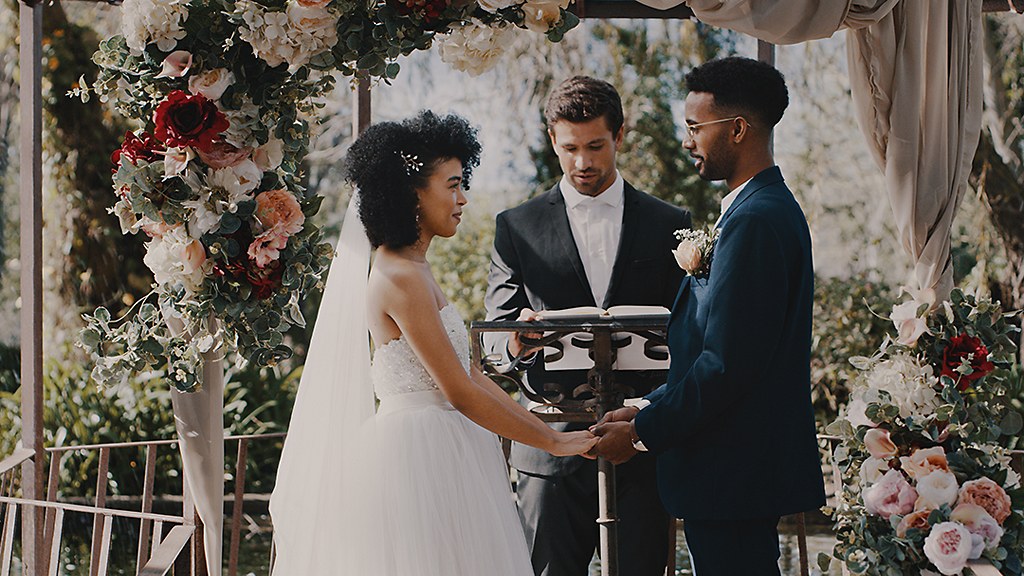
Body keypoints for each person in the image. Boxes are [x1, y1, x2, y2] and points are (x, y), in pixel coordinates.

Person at [269, 111, 597, 576]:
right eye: (453, 185)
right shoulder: (399, 276)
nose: (463, 199)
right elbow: (459, 392)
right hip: (418, 460)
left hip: (451, 447)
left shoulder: (416, 266)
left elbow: (474, 377)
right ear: (412, 194)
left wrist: (550, 431)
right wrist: (552, 443)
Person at [588, 57, 827, 576]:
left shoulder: (758, 220)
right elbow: (711, 347)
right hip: (731, 471)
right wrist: (643, 404)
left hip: (733, 473)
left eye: (695, 127)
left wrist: (642, 432)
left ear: (738, 129)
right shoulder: (753, 209)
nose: (686, 140)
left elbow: (729, 363)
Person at [483, 76, 691, 576]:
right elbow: (494, 339)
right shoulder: (516, 225)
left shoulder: (670, 222)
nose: (584, 163)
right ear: (551, 139)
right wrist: (516, 337)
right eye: (570, 148)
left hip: (641, 445)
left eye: (596, 146)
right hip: (549, 449)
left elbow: (692, 334)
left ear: (620, 137)